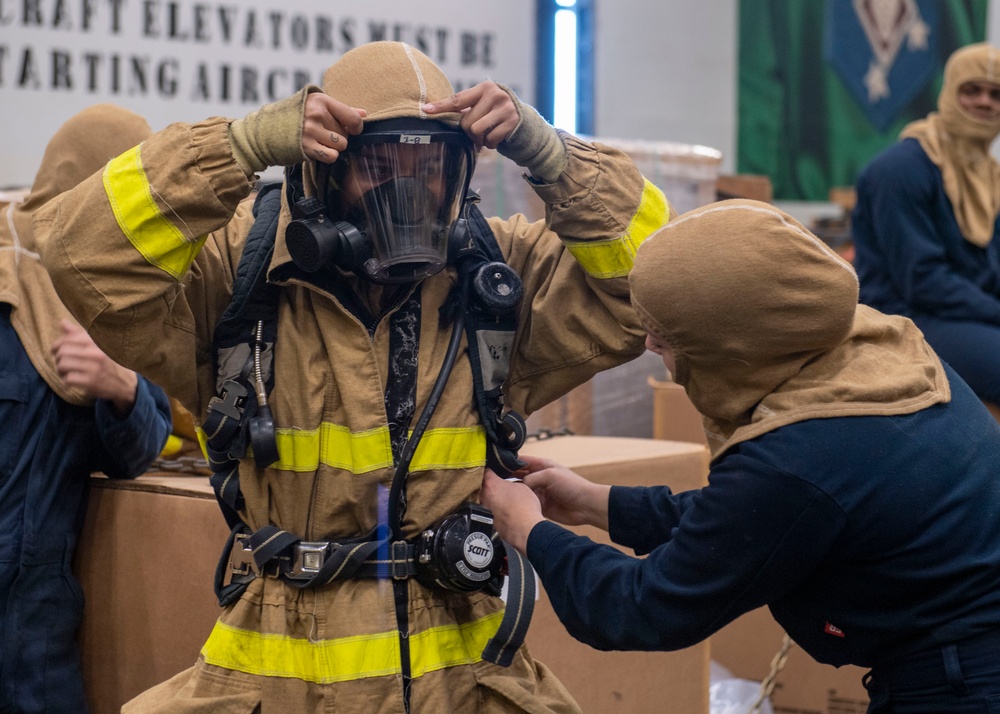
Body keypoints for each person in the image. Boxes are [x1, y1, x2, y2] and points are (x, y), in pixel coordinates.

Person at [33, 41, 671, 713]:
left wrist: (554, 157)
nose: (408, 186)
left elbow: (659, 285)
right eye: (379, 161)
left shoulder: (494, 279)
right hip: (281, 679)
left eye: (430, 163)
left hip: (463, 679)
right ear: (323, 169)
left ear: (460, 172)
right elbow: (80, 254)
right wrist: (238, 147)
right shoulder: (239, 277)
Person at [483, 198, 1000, 714]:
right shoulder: (883, 355)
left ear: (730, 347)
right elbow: (750, 519)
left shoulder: (798, 452)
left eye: (663, 344)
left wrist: (531, 532)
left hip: (958, 688)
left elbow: (643, 606)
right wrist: (600, 503)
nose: (648, 345)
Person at [0, 105, 173, 713]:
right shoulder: (8, 279)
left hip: (33, 627)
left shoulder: (110, 298)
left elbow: (137, 454)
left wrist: (121, 389)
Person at [851, 42, 1000, 412]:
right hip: (903, 319)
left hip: (964, 313)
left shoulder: (989, 176)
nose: (985, 102)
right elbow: (923, 280)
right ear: (949, 93)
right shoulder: (901, 170)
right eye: (972, 90)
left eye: (997, 94)